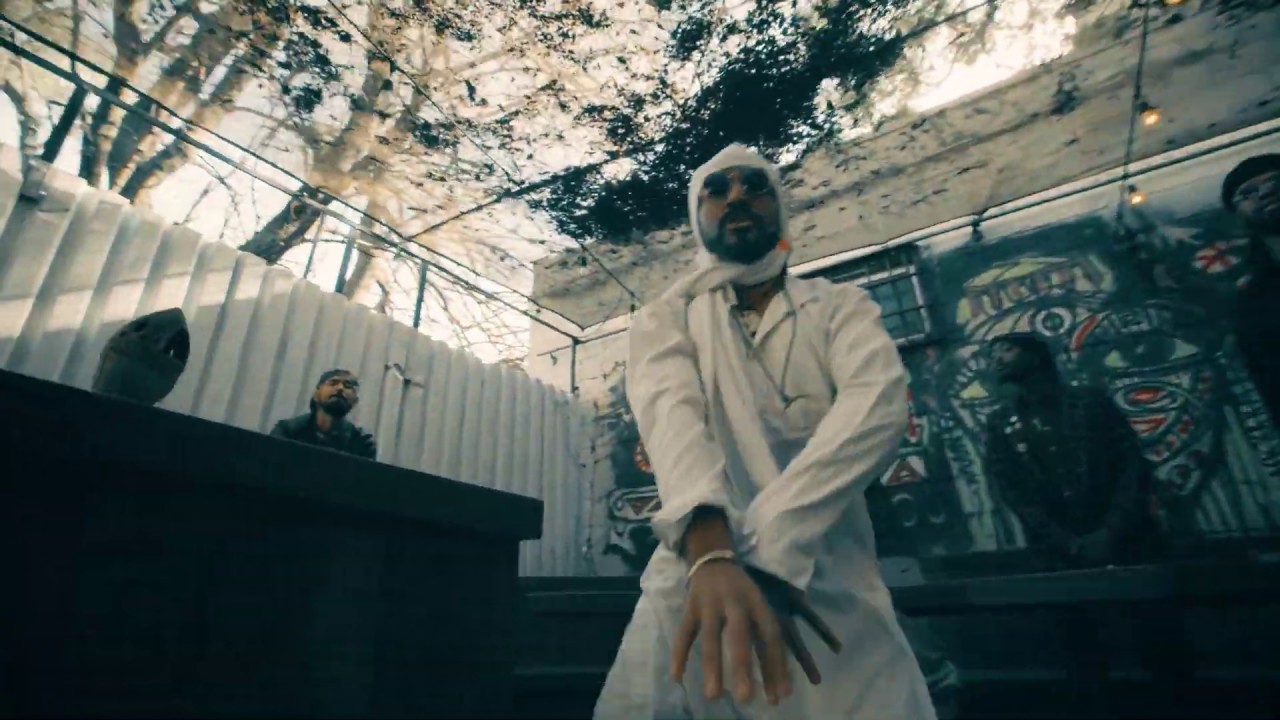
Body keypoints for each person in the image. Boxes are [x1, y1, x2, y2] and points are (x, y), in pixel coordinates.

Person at [594, 144, 934, 719]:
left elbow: (876, 408)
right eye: (717, 189)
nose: (736, 197)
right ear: (697, 216)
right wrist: (713, 554)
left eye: (754, 186)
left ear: (779, 206)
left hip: (832, 571)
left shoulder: (840, 306)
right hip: (700, 567)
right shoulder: (666, 318)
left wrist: (772, 551)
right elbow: (673, 421)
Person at [983, 332, 1158, 568]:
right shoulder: (1000, 422)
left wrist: (1112, 530)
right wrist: (1063, 541)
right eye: (992, 354)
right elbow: (1012, 489)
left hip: (1129, 544)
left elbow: (1132, 466)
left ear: (1035, 357)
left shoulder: (1090, 402)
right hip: (1058, 556)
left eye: (1007, 350)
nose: (997, 359)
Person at [1222, 154, 1280, 423]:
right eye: (1248, 193)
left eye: (1276, 181)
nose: (1266, 193)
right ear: (1238, 215)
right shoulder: (1252, 302)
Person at [270, 369, 377, 460]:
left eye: (348, 386)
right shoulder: (288, 431)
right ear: (316, 394)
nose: (340, 388)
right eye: (333, 383)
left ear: (355, 401)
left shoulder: (362, 443)